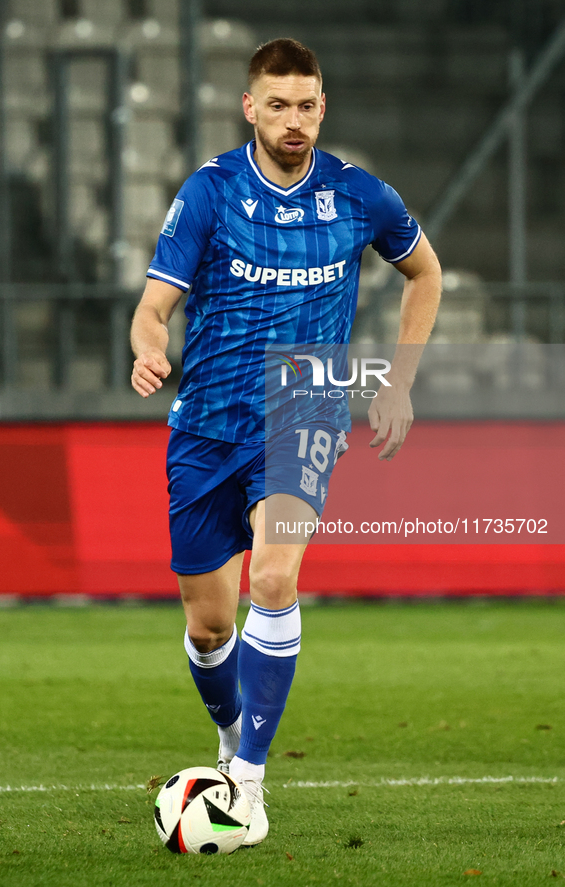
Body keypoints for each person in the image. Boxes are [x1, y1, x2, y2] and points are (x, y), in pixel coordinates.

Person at [130, 38, 441, 845]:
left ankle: (251, 780)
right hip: (205, 425)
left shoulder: (356, 195)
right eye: (278, 104)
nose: (293, 119)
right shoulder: (210, 192)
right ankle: (233, 742)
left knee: (272, 574)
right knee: (208, 626)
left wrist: (397, 379)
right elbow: (155, 301)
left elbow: (425, 272)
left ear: (322, 107)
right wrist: (148, 343)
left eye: (306, 104)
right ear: (249, 108)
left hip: (304, 408)